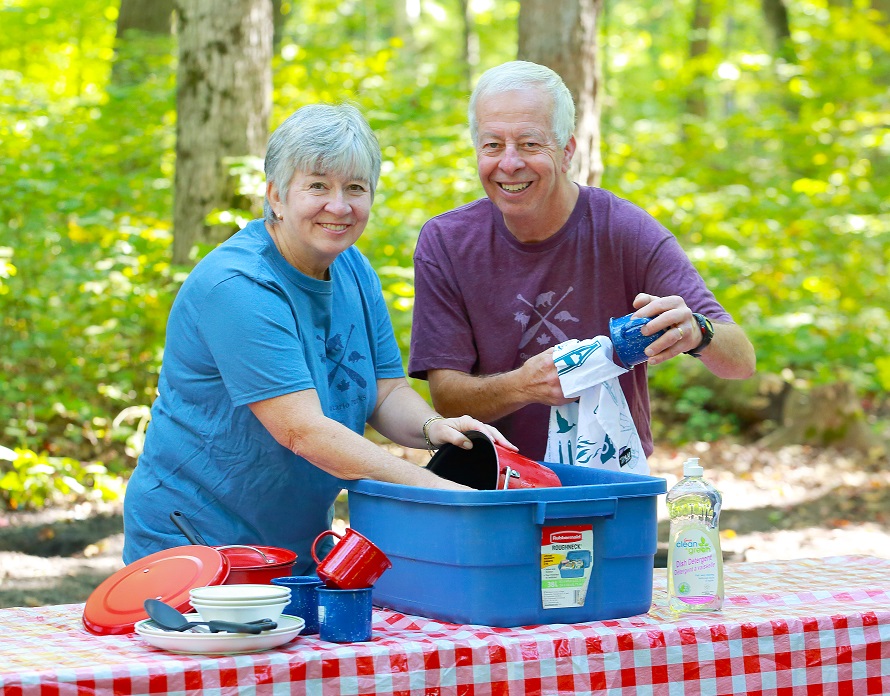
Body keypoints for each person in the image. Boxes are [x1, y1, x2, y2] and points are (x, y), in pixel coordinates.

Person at [123, 104, 510, 573]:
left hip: (298, 545)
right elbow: (302, 431)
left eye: (355, 188)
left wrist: (436, 430)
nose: (340, 205)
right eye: (318, 186)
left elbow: (385, 391)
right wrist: (435, 490)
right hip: (198, 545)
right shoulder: (239, 286)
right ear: (276, 196)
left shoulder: (352, 267)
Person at [408, 61, 756, 462]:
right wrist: (524, 385)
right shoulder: (447, 241)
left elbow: (741, 361)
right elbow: (446, 399)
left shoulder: (625, 230)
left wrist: (698, 332)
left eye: (529, 144)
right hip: (493, 482)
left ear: (567, 150)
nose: (508, 163)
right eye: (492, 145)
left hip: (610, 479)